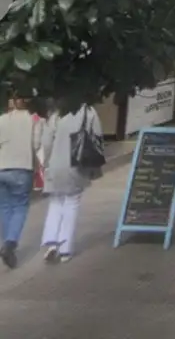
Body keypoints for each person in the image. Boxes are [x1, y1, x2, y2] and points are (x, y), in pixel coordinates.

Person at [40, 97, 104, 263]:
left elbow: (46, 142)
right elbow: (97, 139)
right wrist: (95, 168)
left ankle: (51, 243)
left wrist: (47, 162)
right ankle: (65, 248)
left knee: (55, 202)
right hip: (76, 164)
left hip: (55, 164)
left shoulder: (56, 114)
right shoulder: (88, 112)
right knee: (72, 202)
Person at [0, 94, 42, 268]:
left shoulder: (2, 119)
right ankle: (10, 243)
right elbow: (36, 144)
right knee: (20, 206)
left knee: (4, 206)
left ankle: (6, 243)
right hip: (22, 168)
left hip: (2, 168)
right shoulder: (34, 119)